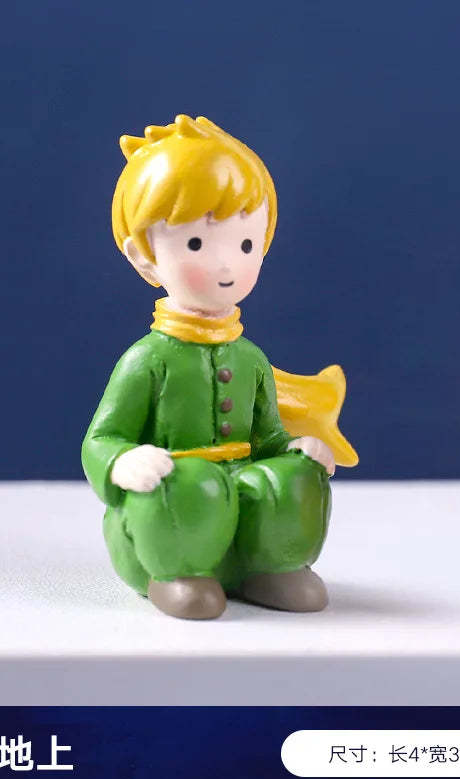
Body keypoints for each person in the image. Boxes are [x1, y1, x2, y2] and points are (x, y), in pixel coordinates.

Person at [82, 114, 356, 620]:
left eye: (246, 244)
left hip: (239, 514)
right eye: (196, 244)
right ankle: (176, 575)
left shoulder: (249, 358)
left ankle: (273, 565)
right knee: (190, 485)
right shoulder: (147, 360)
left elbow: (268, 437)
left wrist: (297, 450)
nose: (226, 265)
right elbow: (101, 439)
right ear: (144, 258)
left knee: (290, 477)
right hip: (163, 523)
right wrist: (124, 462)